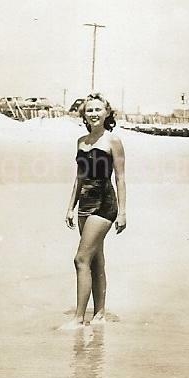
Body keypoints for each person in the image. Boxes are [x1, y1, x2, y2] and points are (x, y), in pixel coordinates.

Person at [61, 92, 127, 329]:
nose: (94, 114)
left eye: (98, 109)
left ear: (107, 113)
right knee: (96, 260)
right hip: (84, 205)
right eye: (89, 110)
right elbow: (79, 178)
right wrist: (70, 207)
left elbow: (120, 178)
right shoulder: (81, 141)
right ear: (84, 115)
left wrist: (122, 212)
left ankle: (79, 319)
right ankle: (99, 314)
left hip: (104, 204)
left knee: (81, 259)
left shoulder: (113, 141)